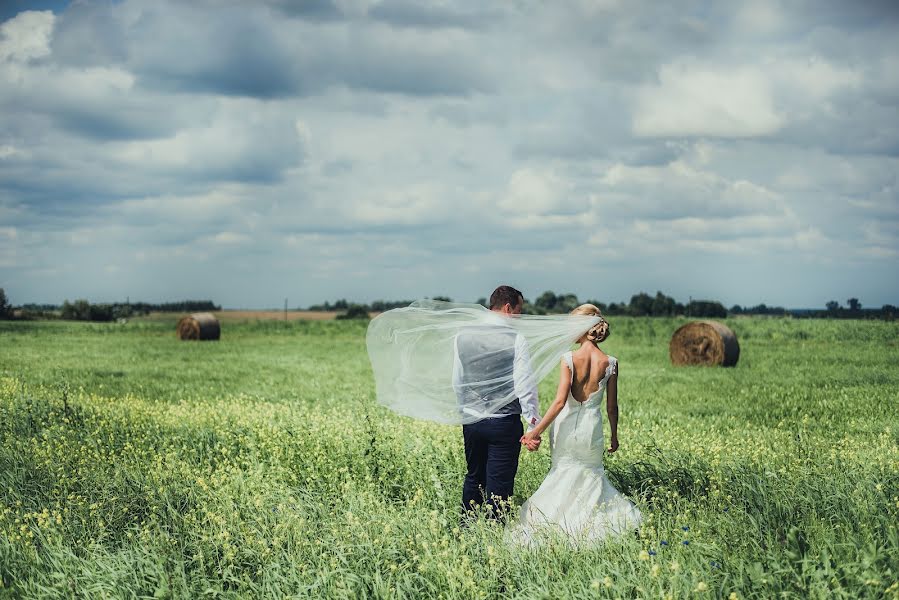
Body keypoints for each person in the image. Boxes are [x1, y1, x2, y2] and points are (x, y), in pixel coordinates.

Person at [508, 303, 641, 545]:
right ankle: (590, 527)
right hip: (592, 427)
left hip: (566, 426)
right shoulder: (610, 362)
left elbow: (559, 402)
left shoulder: (569, 358)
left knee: (561, 472)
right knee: (592, 475)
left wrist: (535, 432)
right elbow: (612, 407)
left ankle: (553, 524)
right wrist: (614, 436)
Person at [453, 285, 542, 523]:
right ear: (507, 307)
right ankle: (494, 532)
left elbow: (458, 379)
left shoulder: (463, 334)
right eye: (519, 310)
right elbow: (524, 386)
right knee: (499, 483)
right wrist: (534, 423)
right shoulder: (516, 339)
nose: (520, 317)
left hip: (471, 419)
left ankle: (467, 527)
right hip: (503, 423)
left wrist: (465, 410)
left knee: (474, 477)